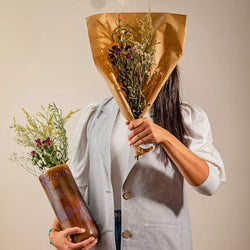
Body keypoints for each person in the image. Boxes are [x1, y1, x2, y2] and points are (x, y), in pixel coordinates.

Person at [48, 66, 226, 250]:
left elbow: (209, 184)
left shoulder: (182, 115)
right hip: (102, 242)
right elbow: (77, 186)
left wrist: (165, 137)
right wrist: (54, 233)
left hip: (159, 242)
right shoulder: (95, 114)